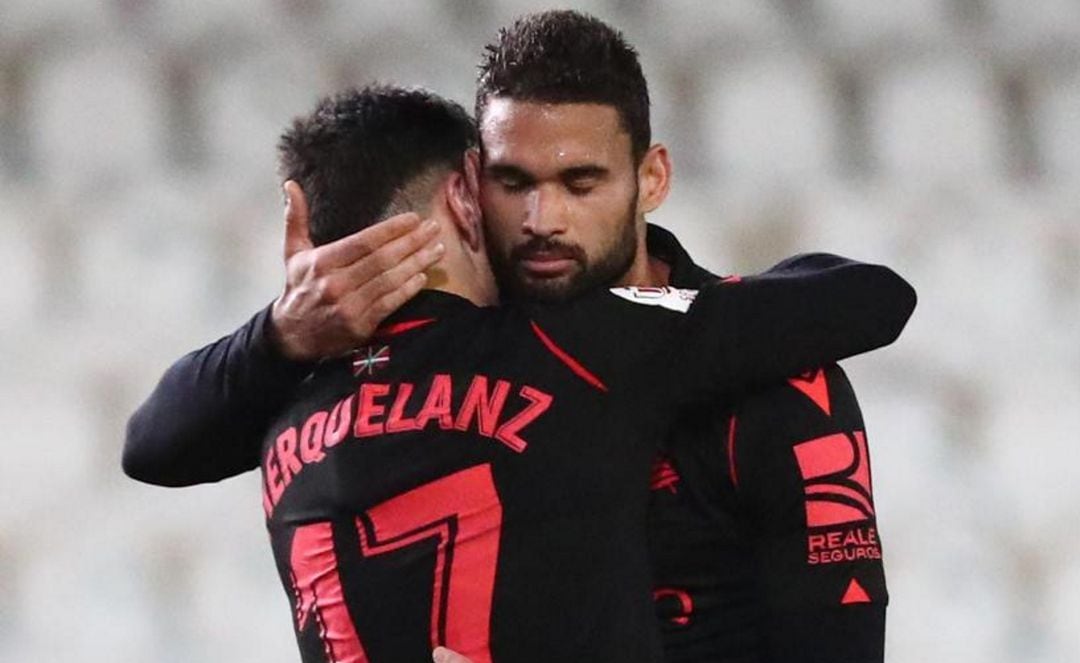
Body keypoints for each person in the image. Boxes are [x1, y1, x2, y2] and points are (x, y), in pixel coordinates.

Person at [126, 10, 905, 662]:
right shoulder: (462, 352)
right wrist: (279, 332)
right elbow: (157, 445)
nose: (542, 220)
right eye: (514, 182)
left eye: (580, 182)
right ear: (469, 189)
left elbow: (873, 296)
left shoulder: (770, 377)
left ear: (652, 179)